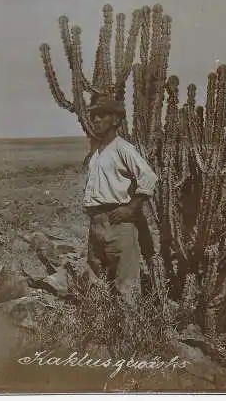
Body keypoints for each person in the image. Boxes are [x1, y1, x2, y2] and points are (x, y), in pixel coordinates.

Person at [83, 98, 158, 306]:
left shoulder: (123, 148)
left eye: (102, 115)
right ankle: (102, 333)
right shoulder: (96, 152)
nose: (96, 119)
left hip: (119, 223)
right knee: (97, 281)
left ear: (115, 120)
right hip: (97, 223)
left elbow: (148, 177)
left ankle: (131, 335)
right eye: (93, 116)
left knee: (126, 286)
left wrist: (132, 207)